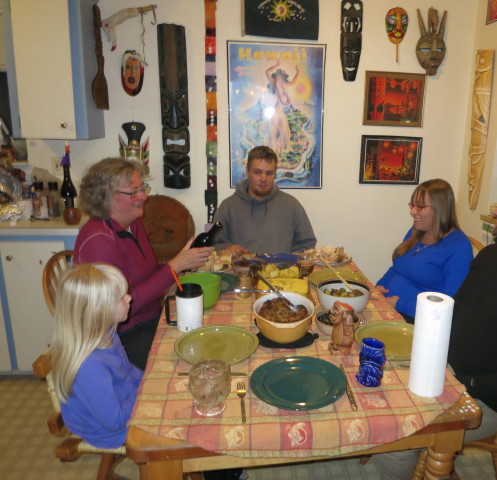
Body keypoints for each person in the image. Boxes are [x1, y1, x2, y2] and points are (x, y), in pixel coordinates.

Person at [372, 172, 497, 479]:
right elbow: (454, 311)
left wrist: (462, 383)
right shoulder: (492, 255)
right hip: (446, 367)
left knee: (396, 435)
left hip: (484, 398)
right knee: (374, 383)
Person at [74, 158, 212, 370]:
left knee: (207, 334)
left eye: (142, 188)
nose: (144, 196)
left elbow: (146, 273)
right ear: (106, 197)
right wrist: (173, 267)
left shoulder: (133, 224)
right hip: (121, 338)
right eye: (134, 192)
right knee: (193, 360)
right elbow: (125, 307)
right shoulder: (99, 241)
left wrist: (180, 268)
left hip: (151, 320)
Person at [50, 263, 141, 448]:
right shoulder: (89, 366)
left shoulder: (107, 332)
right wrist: (144, 395)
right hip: (111, 432)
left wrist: (147, 381)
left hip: (126, 402)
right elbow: (114, 421)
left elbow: (127, 370)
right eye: (121, 297)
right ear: (99, 311)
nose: (130, 298)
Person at [375, 179, 473, 323]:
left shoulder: (459, 248)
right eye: (412, 205)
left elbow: (448, 305)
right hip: (391, 308)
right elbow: (398, 267)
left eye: (420, 207)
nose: (412, 211)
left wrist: (401, 304)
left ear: (440, 209)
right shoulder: (416, 231)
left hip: (419, 320)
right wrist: (379, 286)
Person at [214, 145, 317, 255]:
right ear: (247, 171)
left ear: (275, 173)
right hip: (240, 271)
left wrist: (290, 261)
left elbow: (307, 244)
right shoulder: (227, 207)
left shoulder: (292, 205)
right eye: (257, 172)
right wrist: (227, 249)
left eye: (269, 173)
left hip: (281, 270)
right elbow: (214, 245)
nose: (263, 179)